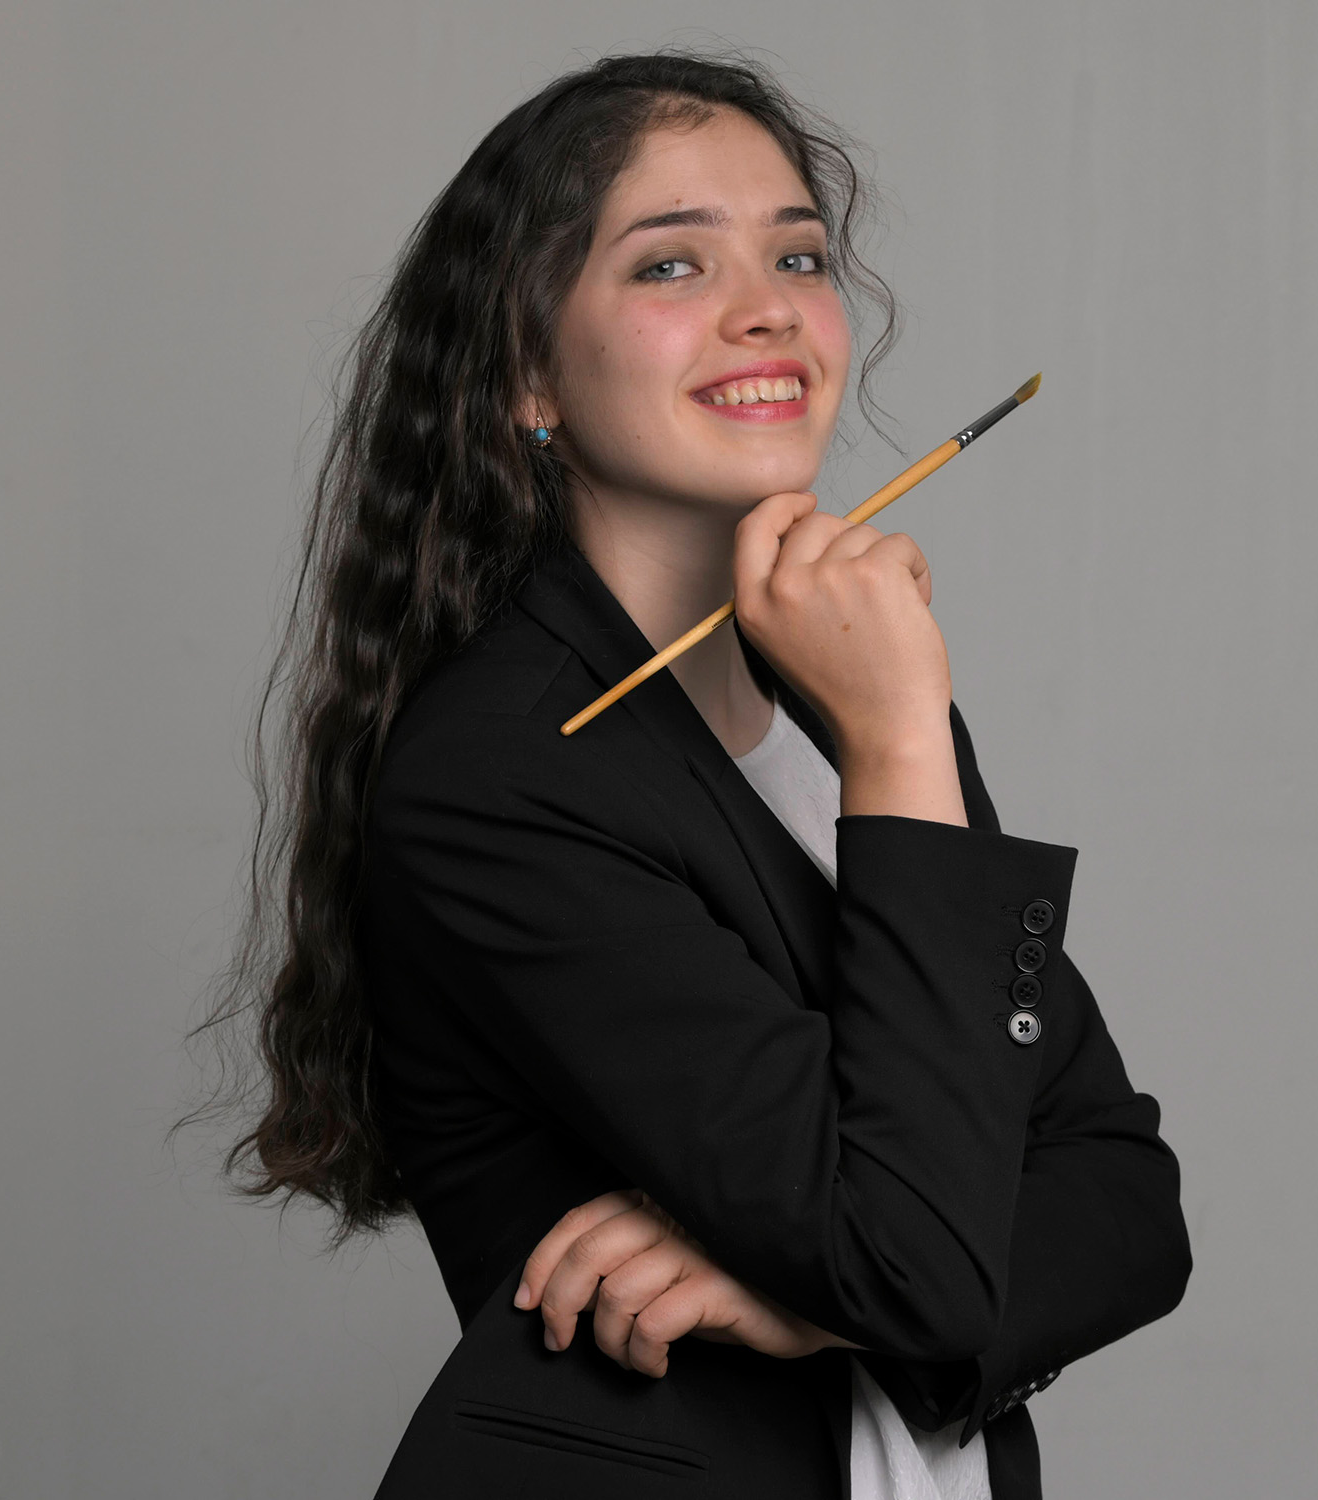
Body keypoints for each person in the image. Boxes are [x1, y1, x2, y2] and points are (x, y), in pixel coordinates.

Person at [189, 47, 1192, 1500]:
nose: (767, 305)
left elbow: (1129, 1197)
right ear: (527, 374)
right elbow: (918, 1255)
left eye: (798, 254)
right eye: (671, 264)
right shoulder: (501, 777)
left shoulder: (854, 709)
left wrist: (811, 1301)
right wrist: (879, 1276)